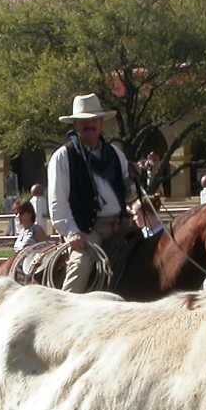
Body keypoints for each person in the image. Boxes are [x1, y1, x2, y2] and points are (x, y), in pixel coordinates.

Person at [47, 93, 138, 293]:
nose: (90, 125)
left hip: (120, 226)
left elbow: (129, 193)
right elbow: (57, 202)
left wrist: (137, 196)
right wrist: (72, 233)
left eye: (94, 120)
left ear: (101, 123)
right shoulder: (64, 157)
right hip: (87, 230)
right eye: (84, 121)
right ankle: (65, 307)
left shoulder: (115, 154)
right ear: (75, 125)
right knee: (81, 265)